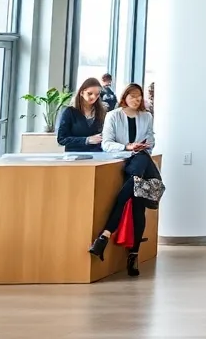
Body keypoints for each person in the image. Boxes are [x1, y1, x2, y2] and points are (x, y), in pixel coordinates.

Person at [89, 83, 156, 277]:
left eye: (139, 96)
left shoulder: (147, 117)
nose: (136, 100)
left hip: (141, 162)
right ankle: (132, 255)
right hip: (124, 161)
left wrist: (142, 146)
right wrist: (127, 147)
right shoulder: (114, 116)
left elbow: (151, 140)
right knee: (137, 204)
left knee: (138, 202)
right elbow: (106, 144)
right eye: (132, 96)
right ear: (124, 97)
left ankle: (106, 234)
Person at [57, 77, 105, 152]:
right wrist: (86, 140)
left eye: (97, 94)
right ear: (82, 93)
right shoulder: (70, 112)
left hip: (97, 155)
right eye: (89, 93)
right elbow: (61, 139)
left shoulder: (102, 111)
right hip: (75, 156)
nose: (93, 97)